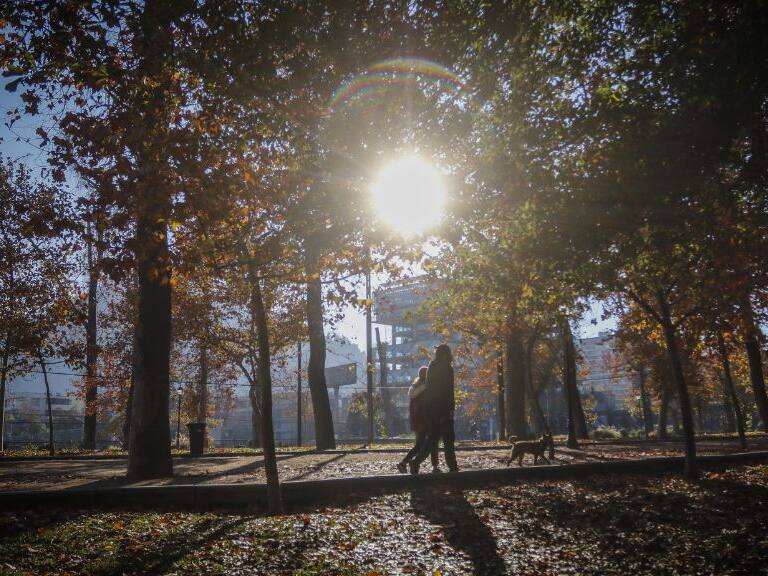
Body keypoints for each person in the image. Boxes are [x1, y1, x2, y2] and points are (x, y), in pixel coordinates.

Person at [409, 343, 459, 474]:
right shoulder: (447, 369)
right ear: (447, 354)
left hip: (430, 408)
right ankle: (453, 466)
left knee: (432, 439)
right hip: (442, 408)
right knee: (448, 439)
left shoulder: (432, 366)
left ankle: (416, 462)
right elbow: (448, 390)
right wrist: (450, 409)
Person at [397, 366, 440, 474]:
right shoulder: (428, 388)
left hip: (417, 421)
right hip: (426, 420)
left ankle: (403, 463)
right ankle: (434, 466)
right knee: (432, 443)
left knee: (419, 445)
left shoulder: (414, 387)